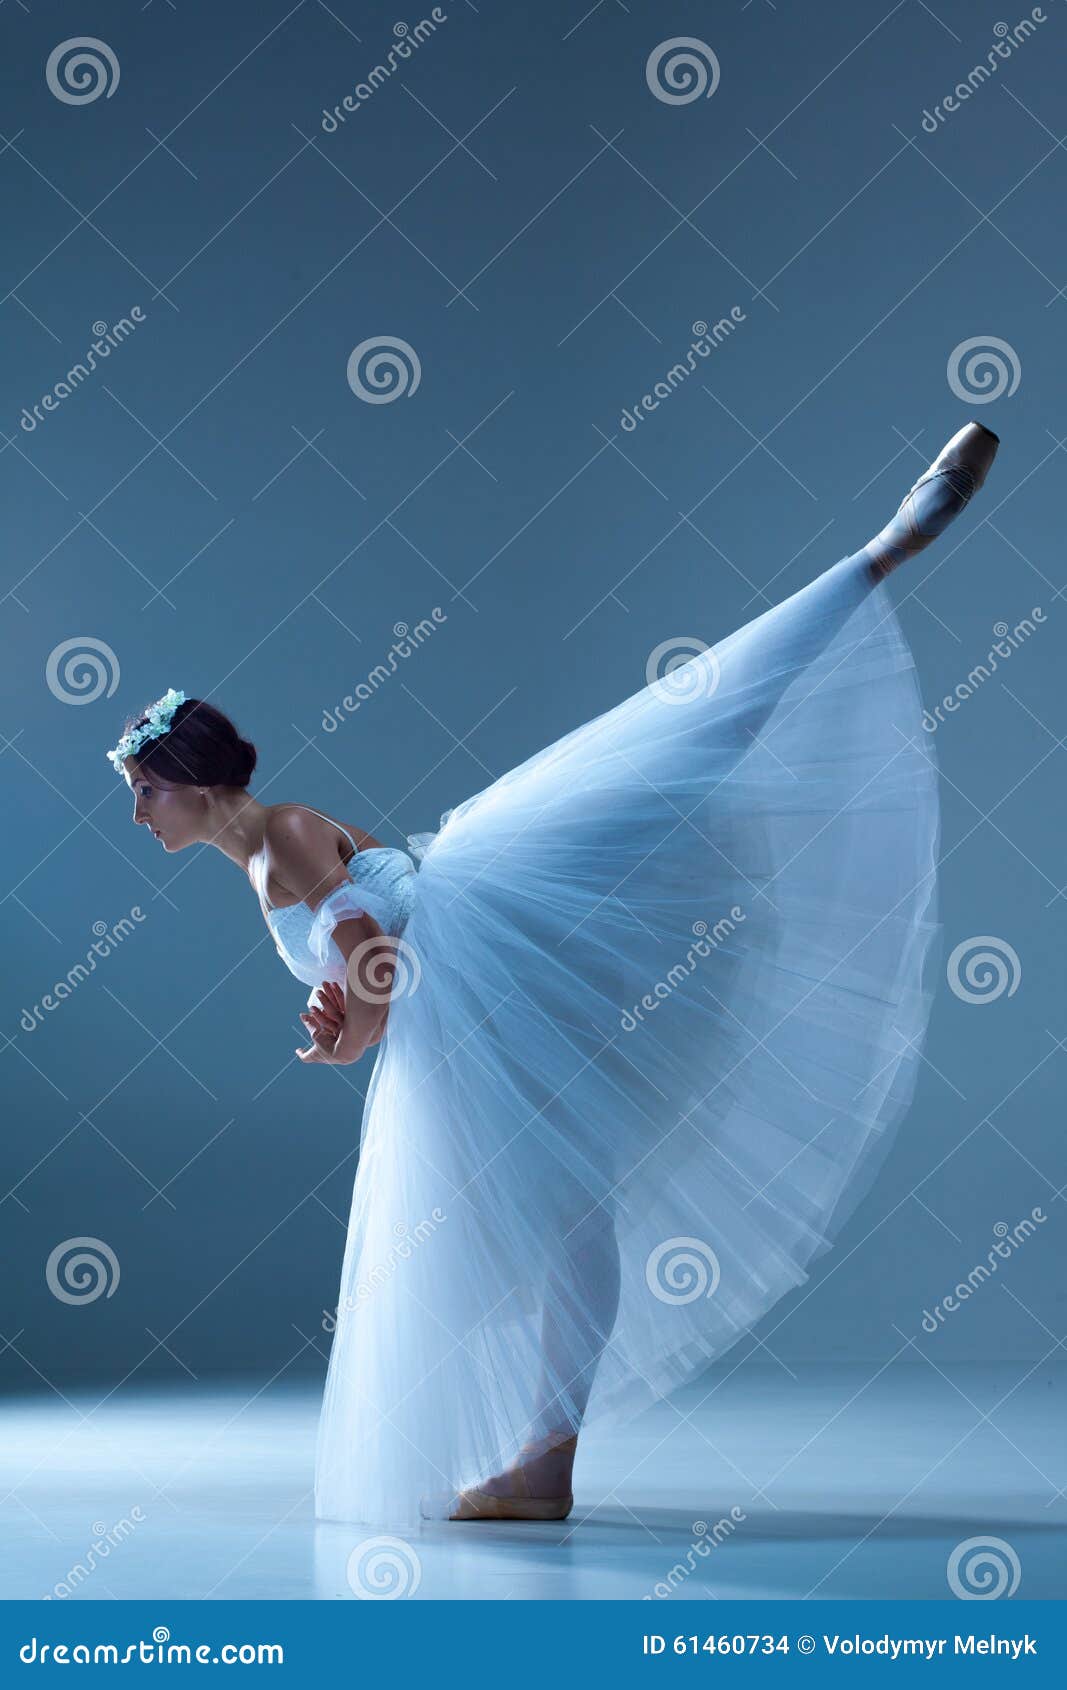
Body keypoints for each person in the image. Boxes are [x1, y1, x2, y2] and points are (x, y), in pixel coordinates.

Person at [106, 421, 999, 1527]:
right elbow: (382, 903)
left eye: (144, 789)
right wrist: (349, 992)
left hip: (479, 990)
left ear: (189, 785)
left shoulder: (280, 837)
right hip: (483, 970)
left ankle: (880, 553)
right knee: (565, 1206)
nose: (138, 811)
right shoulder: (283, 837)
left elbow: (375, 957)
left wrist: (348, 1027)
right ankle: (544, 1456)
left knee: (668, 766)